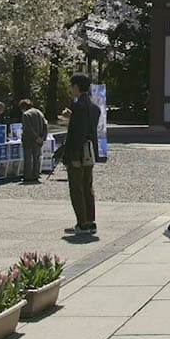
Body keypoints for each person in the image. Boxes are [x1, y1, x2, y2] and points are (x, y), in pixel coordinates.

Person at [58, 74, 102, 236]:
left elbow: (78, 133)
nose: (71, 89)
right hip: (90, 152)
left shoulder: (79, 107)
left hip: (79, 153)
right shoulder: (93, 107)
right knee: (87, 186)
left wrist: (74, 157)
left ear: (76, 86)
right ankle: (90, 221)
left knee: (77, 188)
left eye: (72, 86)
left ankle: (82, 222)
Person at [19, 98, 49, 183]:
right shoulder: (40, 112)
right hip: (39, 139)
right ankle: (36, 175)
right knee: (37, 158)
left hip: (29, 140)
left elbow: (28, 128)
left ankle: (27, 176)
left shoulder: (26, 114)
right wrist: (43, 137)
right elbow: (45, 125)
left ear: (23, 107)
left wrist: (36, 137)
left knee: (28, 158)